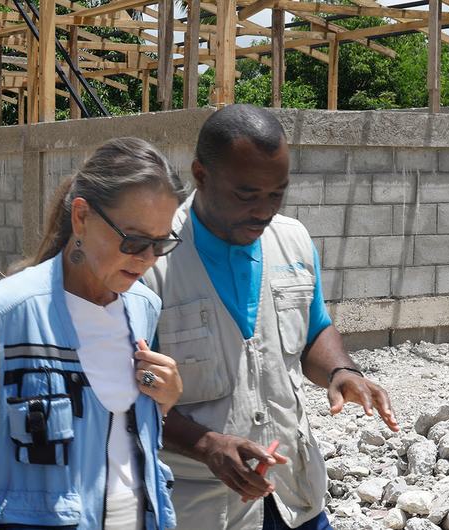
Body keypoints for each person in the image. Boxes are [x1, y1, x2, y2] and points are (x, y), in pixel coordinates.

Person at [143, 104, 399, 530]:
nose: (264, 210)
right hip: (200, 507)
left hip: (294, 496)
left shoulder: (293, 240)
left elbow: (315, 327)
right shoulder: (152, 256)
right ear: (201, 175)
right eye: (247, 195)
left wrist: (340, 370)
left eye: (277, 193)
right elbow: (125, 393)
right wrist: (206, 443)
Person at [0, 138, 187, 530]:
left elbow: (120, 425)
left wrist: (164, 394)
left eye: (161, 243)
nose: (146, 258)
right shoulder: (10, 313)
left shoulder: (144, 307)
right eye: (135, 240)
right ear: (81, 218)